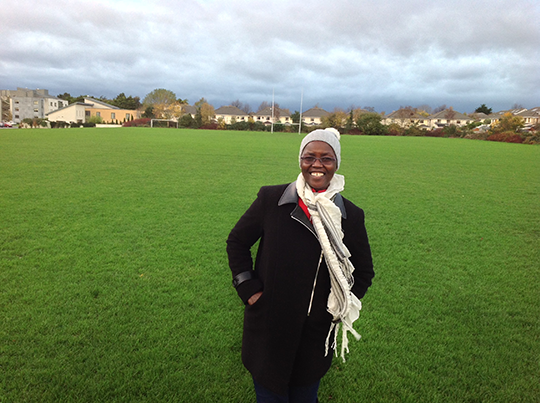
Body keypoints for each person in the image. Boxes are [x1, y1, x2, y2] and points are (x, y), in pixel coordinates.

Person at [226, 128, 374, 403]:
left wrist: (338, 306)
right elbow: (237, 242)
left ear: (336, 163)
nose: (317, 164)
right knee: (270, 396)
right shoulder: (272, 199)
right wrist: (249, 290)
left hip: (316, 332)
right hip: (270, 326)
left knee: (305, 396)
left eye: (326, 158)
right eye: (309, 157)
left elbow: (364, 272)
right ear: (300, 160)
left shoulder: (349, 215)